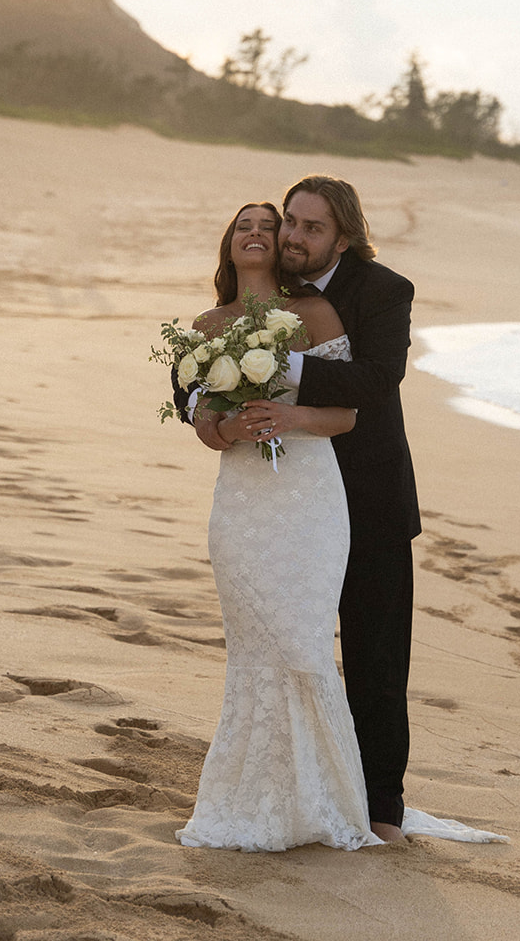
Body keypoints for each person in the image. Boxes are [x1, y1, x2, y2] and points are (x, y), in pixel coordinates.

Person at [201, 176, 420, 842]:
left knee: (376, 659)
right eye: (289, 221)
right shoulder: (250, 302)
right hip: (279, 499)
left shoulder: (381, 292)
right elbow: (197, 380)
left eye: (311, 227)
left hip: (368, 496)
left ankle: (377, 810)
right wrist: (212, 391)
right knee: (283, 642)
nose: (293, 236)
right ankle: (288, 787)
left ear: (343, 236)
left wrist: (263, 368)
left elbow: (377, 380)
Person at [175, 201, 380, 852]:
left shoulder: (313, 316)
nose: (259, 235)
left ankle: (320, 799)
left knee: (302, 640)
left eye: (270, 226)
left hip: (308, 498)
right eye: (245, 226)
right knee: (254, 646)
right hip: (241, 502)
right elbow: (204, 427)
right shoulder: (208, 325)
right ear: (228, 245)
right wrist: (228, 427)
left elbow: (345, 414)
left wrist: (289, 418)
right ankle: (247, 798)